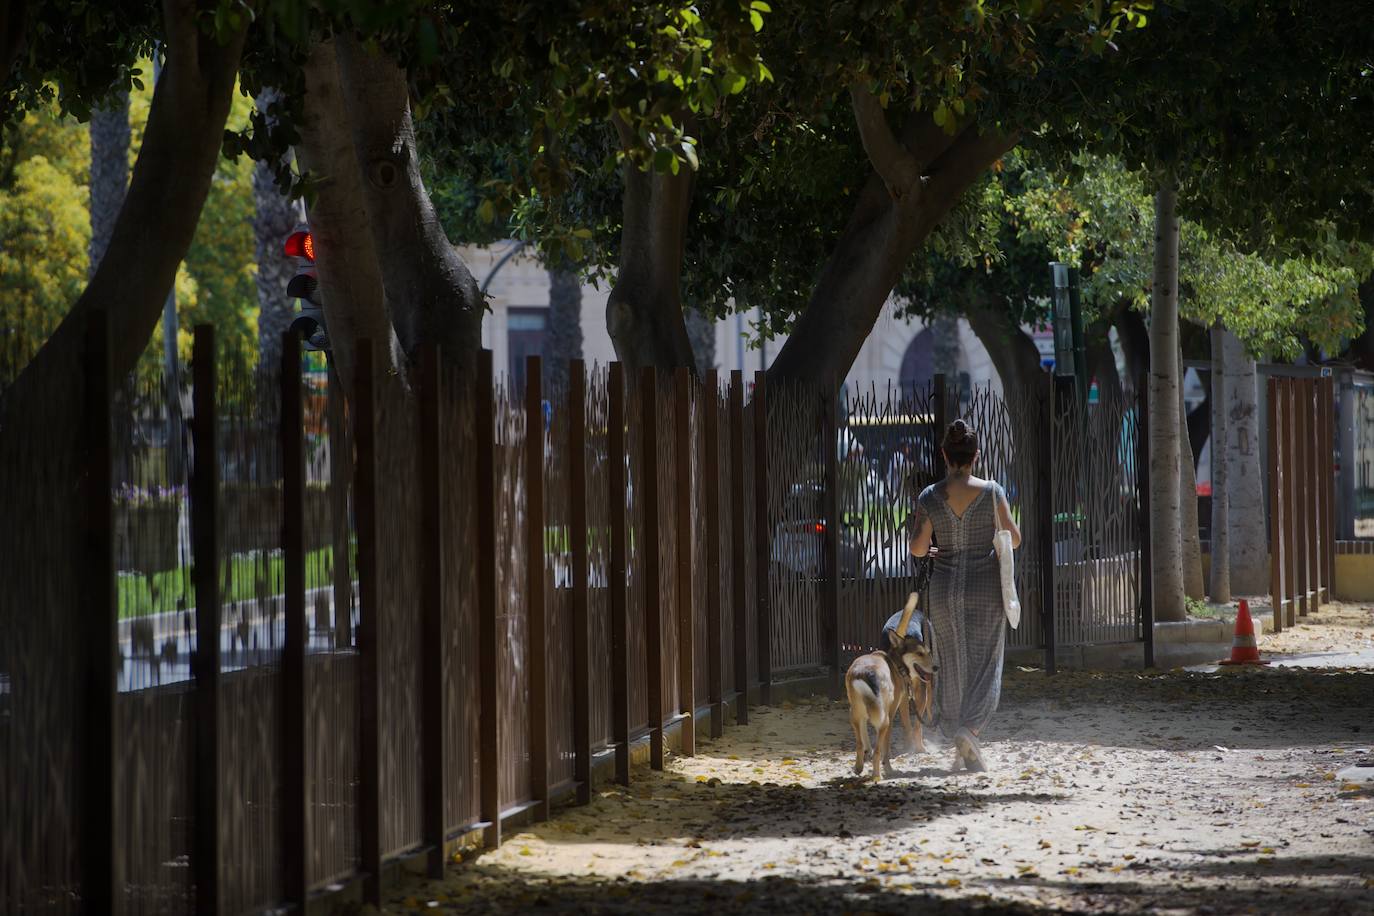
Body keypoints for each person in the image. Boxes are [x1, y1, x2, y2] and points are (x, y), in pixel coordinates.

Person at [906, 419, 1021, 772]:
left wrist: (939, 549)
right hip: (985, 587)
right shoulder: (991, 492)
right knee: (987, 662)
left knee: (952, 664)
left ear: (944, 455)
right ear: (976, 456)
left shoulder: (929, 497)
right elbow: (1013, 538)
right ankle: (970, 730)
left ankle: (958, 732)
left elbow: (917, 548)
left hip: (944, 591)